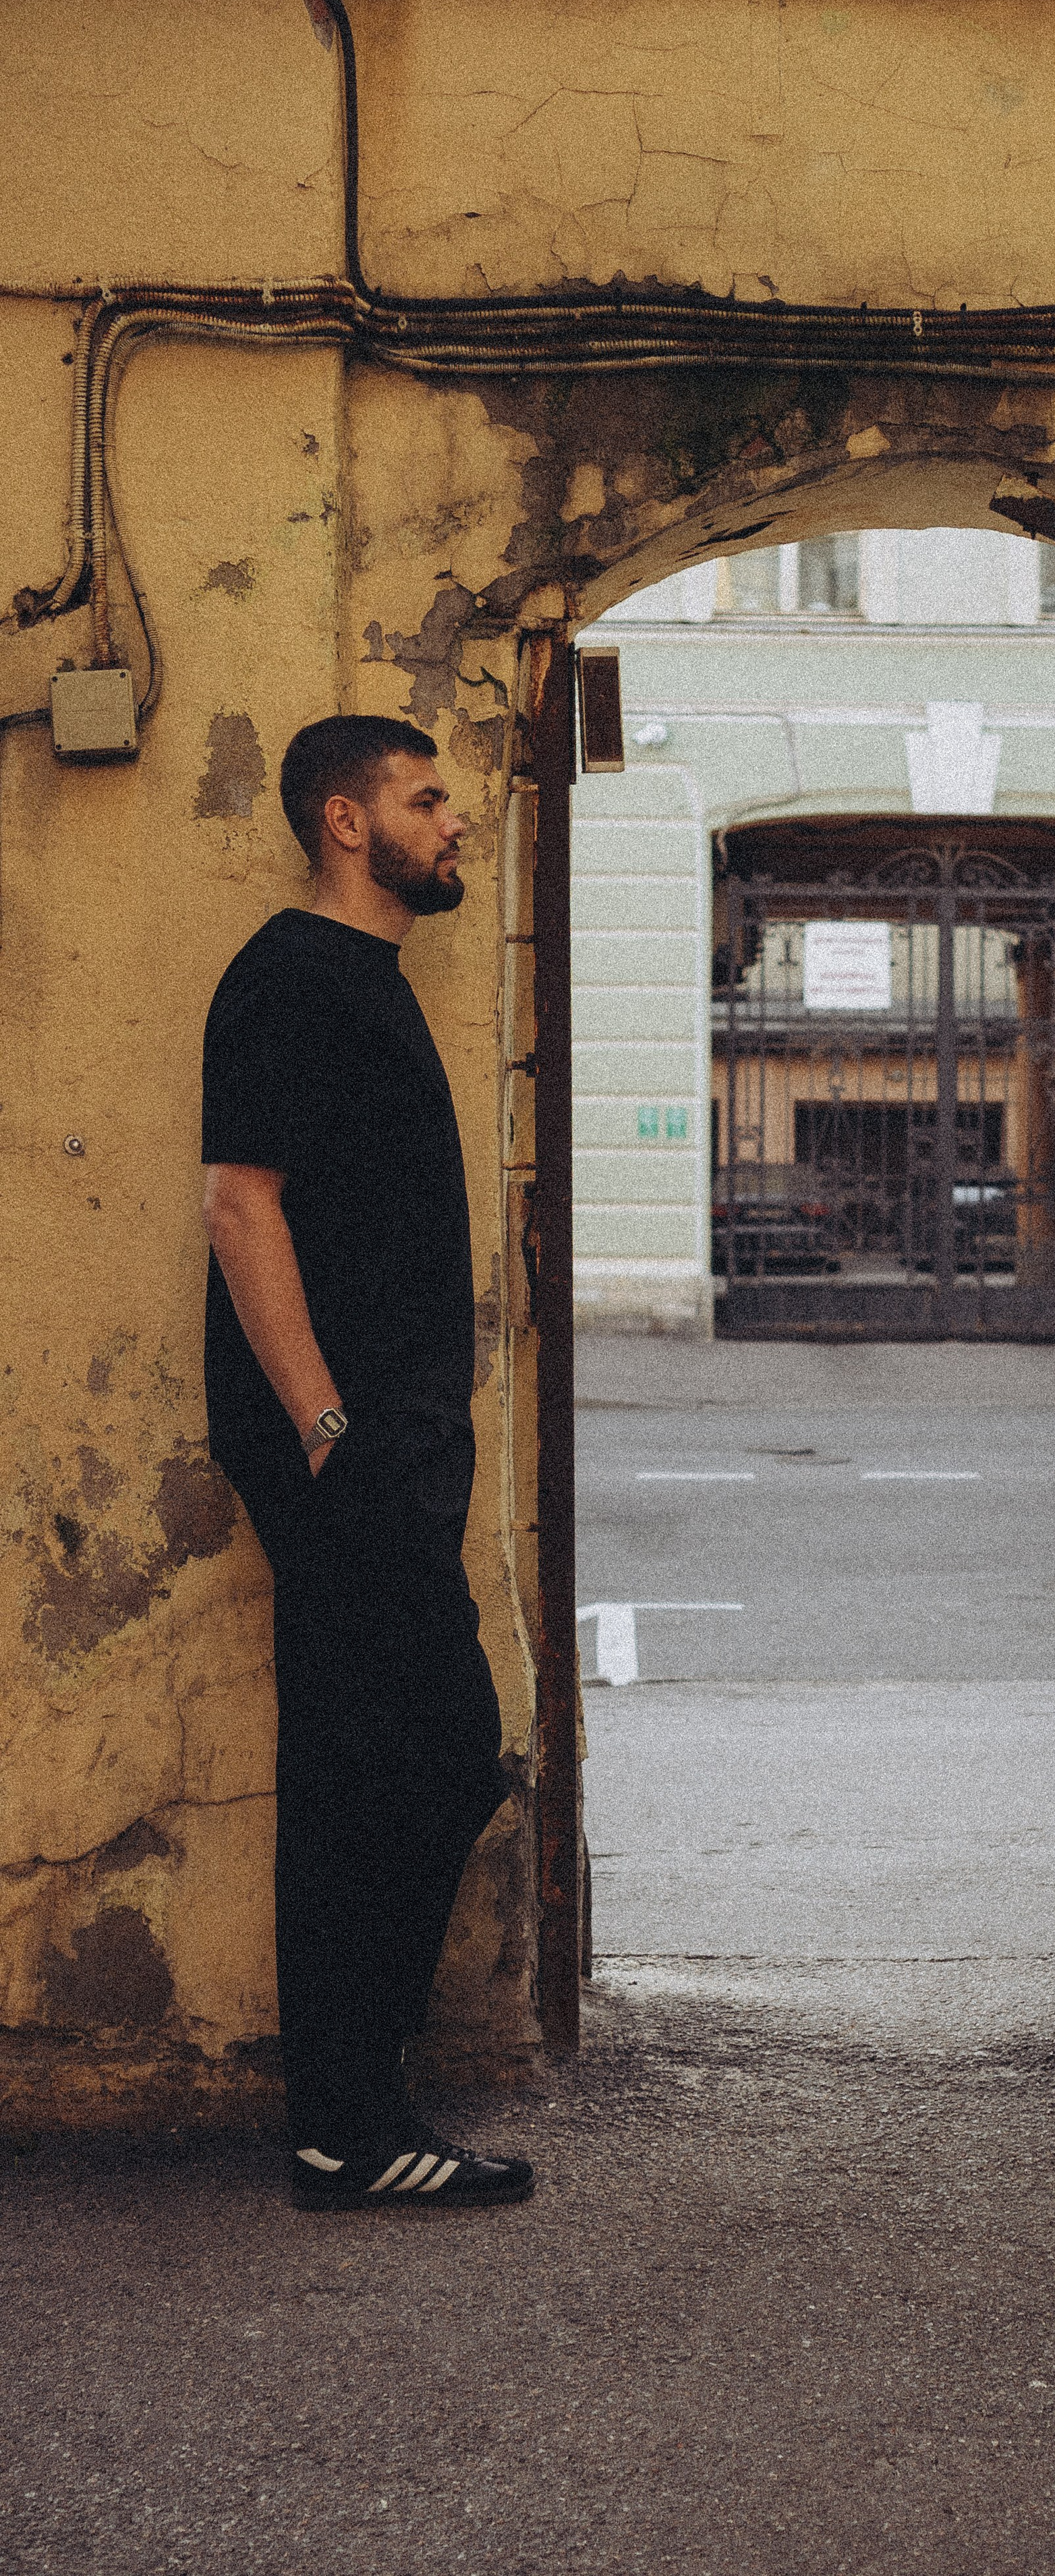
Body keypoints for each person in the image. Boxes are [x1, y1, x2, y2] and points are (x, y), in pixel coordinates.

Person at [201, 714, 533, 2212]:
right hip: (344, 1450)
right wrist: (326, 1424)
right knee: (429, 1754)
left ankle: (352, 2115)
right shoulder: (292, 978)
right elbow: (238, 1204)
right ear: (346, 821)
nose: (453, 820)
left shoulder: (358, 979)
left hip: (382, 1448)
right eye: (424, 798)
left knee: (365, 1765)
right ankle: (349, 2113)